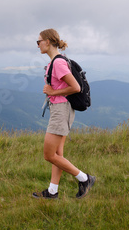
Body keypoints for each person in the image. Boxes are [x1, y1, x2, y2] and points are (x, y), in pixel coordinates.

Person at [32, 28, 96, 199]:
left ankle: (84, 178)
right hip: (60, 109)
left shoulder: (58, 63)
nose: (37, 45)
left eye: (39, 41)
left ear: (48, 41)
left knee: (49, 154)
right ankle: (52, 191)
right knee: (57, 155)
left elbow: (76, 87)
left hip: (61, 110)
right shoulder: (57, 61)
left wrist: (52, 93)